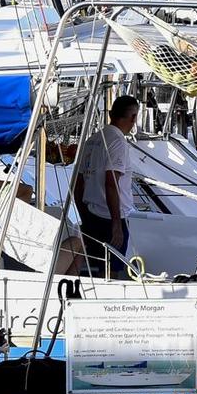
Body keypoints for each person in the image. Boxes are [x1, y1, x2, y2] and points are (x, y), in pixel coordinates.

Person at [72, 95, 138, 273]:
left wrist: (83, 216)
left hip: (91, 214)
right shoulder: (117, 142)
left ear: (111, 113)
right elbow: (111, 182)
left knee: (98, 265)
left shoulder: (91, 140)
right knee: (111, 269)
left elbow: (77, 183)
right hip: (111, 217)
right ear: (133, 118)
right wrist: (116, 224)